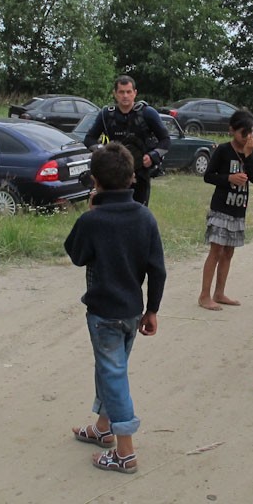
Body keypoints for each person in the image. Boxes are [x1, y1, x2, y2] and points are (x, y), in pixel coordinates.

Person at [64, 142, 166, 474]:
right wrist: (152, 310)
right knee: (110, 369)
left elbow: (76, 254)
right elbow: (157, 269)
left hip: (103, 313)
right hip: (133, 311)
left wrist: (91, 212)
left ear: (95, 181)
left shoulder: (94, 220)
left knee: (113, 373)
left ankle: (125, 452)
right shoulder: (145, 216)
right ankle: (103, 428)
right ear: (133, 178)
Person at [198, 110, 253, 311]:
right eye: (243, 134)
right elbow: (208, 176)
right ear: (232, 131)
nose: (247, 138)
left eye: (250, 133)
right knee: (216, 250)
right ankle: (204, 295)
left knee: (229, 252)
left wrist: (249, 155)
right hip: (220, 209)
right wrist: (228, 178)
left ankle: (219, 292)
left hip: (238, 209)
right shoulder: (223, 151)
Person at [83, 75, 170, 206]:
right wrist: (103, 152)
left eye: (128, 92)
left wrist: (153, 156)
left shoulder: (147, 113)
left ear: (135, 93)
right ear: (115, 94)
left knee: (138, 212)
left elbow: (166, 140)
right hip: (113, 175)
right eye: (121, 92)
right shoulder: (106, 114)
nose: (125, 96)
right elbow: (89, 139)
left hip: (140, 173)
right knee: (112, 211)